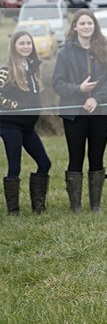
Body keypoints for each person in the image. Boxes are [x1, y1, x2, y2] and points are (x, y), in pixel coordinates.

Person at [52, 9, 107, 213]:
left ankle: (95, 205)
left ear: (95, 26)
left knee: (97, 156)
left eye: (90, 23)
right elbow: (57, 83)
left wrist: (96, 98)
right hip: (74, 113)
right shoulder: (65, 53)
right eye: (82, 23)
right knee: (76, 156)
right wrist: (79, 90)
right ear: (75, 27)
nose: (86, 26)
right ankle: (76, 206)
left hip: (100, 110)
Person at [1, 31, 51, 215]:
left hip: (28, 127)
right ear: (14, 46)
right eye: (21, 43)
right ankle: (13, 211)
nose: (25, 47)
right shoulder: (6, 70)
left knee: (44, 163)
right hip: (10, 125)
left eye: (28, 43)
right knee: (15, 166)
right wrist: (17, 106)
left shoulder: (33, 68)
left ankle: (38, 206)